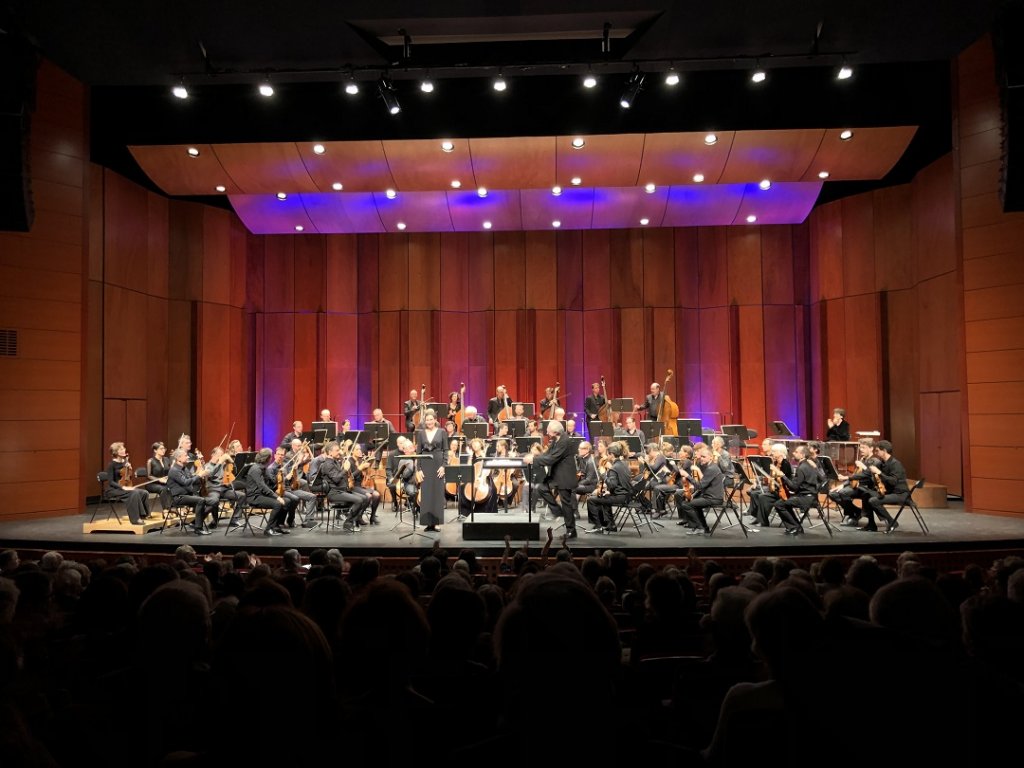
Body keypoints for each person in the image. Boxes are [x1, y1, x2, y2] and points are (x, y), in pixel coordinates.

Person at [523, 419, 578, 538]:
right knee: (540, 487)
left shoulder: (565, 441)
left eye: (549, 431)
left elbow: (552, 459)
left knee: (566, 503)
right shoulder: (555, 440)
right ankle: (557, 511)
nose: (547, 433)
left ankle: (571, 530)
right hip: (556, 476)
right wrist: (533, 457)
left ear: (556, 432)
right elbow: (547, 454)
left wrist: (534, 460)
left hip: (565, 477)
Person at [830, 437, 882, 527]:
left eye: (864, 447)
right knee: (832, 493)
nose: (861, 450)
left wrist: (864, 466)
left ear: (871, 448)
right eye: (860, 447)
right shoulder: (862, 459)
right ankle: (856, 511)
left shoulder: (875, 461)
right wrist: (843, 485)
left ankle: (852, 515)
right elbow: (855, 475)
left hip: (866, 488)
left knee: (843, 493)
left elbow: (871, 477)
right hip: (856, 486)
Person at [675, 443, 724, 534]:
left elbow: (700, 486)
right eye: (701, 456)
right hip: (709, 496)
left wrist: (687, 476)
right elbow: (702, 487)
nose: (701, 458)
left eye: (704, 456)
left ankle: (699, 527)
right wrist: (694, 495)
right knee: (692, 503)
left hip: (713, 498)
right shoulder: (709, 467)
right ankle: (703, 527)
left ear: (710, 457)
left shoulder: (712, 469)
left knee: (686, 504)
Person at [771, 444, 819, 535]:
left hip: (807, 498)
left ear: (802, 455)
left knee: (779, 504)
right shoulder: (808, 465)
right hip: (810, 496)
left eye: (796, 452)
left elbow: (794, 487)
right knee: (784, 502)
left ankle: (794, 527)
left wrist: (783, 476)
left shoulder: (801, 468)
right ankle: (796, 526)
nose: (793, 453)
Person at [586, 441, 633, 533]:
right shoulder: (624, 464)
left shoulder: (614, 468)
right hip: (627, 496)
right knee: (602, 497)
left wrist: (603, 474)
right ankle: (610, 525)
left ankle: (598, 527)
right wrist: (609, 492)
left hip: (620, 497)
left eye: (608, 454)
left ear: (611, 454)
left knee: (591, 499)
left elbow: (612, 485)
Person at [246, 448, 294, 536]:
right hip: (254, 497)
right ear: (267, 458)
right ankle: (268, 529)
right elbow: (263, 487)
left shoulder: (264, 468)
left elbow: (272, 482)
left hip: (262, 495)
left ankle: (276, 526)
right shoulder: (255, 469)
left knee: (287, 501)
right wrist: (277, 497)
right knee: (277, 503)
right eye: (270, 457)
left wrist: (280, 475)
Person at [167, 448, 215, 535]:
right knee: (200, 500)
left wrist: (202, 474)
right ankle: (198, 528)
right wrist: (199, 475)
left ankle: (195, 522)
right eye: (185, 456)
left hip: (188, 495)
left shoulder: (184, 468)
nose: (188, 457)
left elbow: (192, 479)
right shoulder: (174, 470)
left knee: (213, 501)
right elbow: (185, 482)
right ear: (178, 458)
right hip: (179, 497)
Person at [415, 409, 448, 532]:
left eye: (431, 419)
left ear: (435, 420)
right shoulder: (421, 434)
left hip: (438, 465)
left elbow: (446, 450)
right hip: (425, 465)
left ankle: (437, 522)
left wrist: (444, 466)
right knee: (427, 494)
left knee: (437, 494)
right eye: (427, 420)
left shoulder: (442, 432)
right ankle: (428, 523)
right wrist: (418, 469)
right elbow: (418, 452)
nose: (429, 421)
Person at [864, 440, 906, 533]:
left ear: (884, 451)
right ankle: (871, 524)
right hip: (889, 492)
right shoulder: (882, 463)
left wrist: (879, 473)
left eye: (878, 451)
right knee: (866, 494)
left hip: (900, 494)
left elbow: (893, 481)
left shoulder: (895, 464)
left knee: (873, 500)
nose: (876, 453)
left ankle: (892, 522)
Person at [105, 442, 152, 524]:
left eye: (123, 448)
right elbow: (111, 482)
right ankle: (135, 519)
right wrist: (123, 487)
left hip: (124, 487)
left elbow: (128, 478)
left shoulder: (125, 463)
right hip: (114, 489)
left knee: (144, 492)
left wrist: (130, 470)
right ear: (115, 452)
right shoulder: (111, 465)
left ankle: (144, 515)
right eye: (121, 449)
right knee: (134, 493)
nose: (124, 450)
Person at [202, 446, 245, 529]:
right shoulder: (207, 465)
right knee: (215, 500)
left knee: (241, 495)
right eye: (219, 455)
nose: (221, 458)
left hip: (224, 490)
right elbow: (210, 474)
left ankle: (234, 519)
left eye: (222, 456)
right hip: (213, 489)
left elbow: (235, 472)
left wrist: (231, 461)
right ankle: (214, 520)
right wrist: (220, 462)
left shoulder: (223, 466)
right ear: (213, 455)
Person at [147, 441, 172, 510]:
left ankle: (179, 508)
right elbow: (149, 476)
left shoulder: (166, 459)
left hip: (165, 483)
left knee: (175, 486)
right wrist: (159, 479)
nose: (163, 450)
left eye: (164, 448)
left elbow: (169, 472)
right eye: (161, 449)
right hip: (153, 484)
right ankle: (166, 510)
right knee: (164, 489)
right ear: (155, 450)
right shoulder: (150, 461)